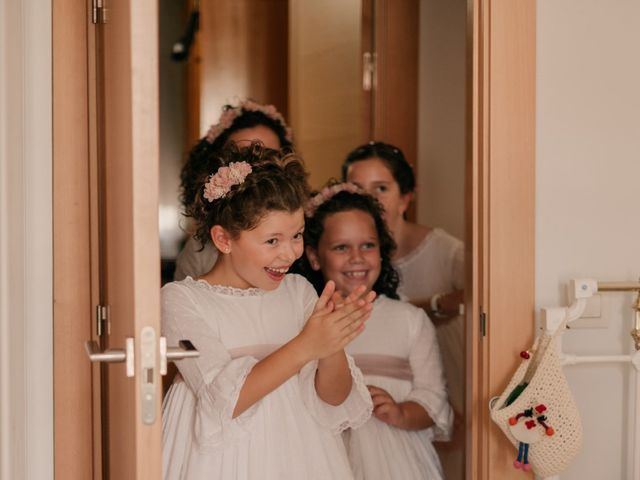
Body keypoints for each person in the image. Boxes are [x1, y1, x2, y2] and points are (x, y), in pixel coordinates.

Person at [162, 145, 376, 479]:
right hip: (219, 459)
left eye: (297, 235)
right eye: (272, 241)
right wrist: (307, 345)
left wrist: (331, 343)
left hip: (301, 453)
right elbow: (225, 402)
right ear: (223, 239)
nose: (290, 253)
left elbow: (334, 399)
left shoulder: (298, 292)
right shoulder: (182, 300)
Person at [293, 183, 453, 480]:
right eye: (341, 247)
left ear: (382, 251)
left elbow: (434, 400)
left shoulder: (409, 319)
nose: (357, 257)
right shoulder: (303, 322)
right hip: (322, 456)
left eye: (368, 245)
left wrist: (400, 412)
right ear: (315, 257)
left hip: (397, 461)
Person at [342, 141, 465, 479]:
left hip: (435, 365)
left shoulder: (444, 250)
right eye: (357, 189)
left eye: (381, 188)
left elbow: (484, 294)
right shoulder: (346, 266)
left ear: (406, 197)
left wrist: (429, 305)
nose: (369, 198)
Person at [174, 99, 294, 281]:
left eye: (270, 157)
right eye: (245, 156)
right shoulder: (201, 252)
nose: (259, 167)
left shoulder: (303, 236)